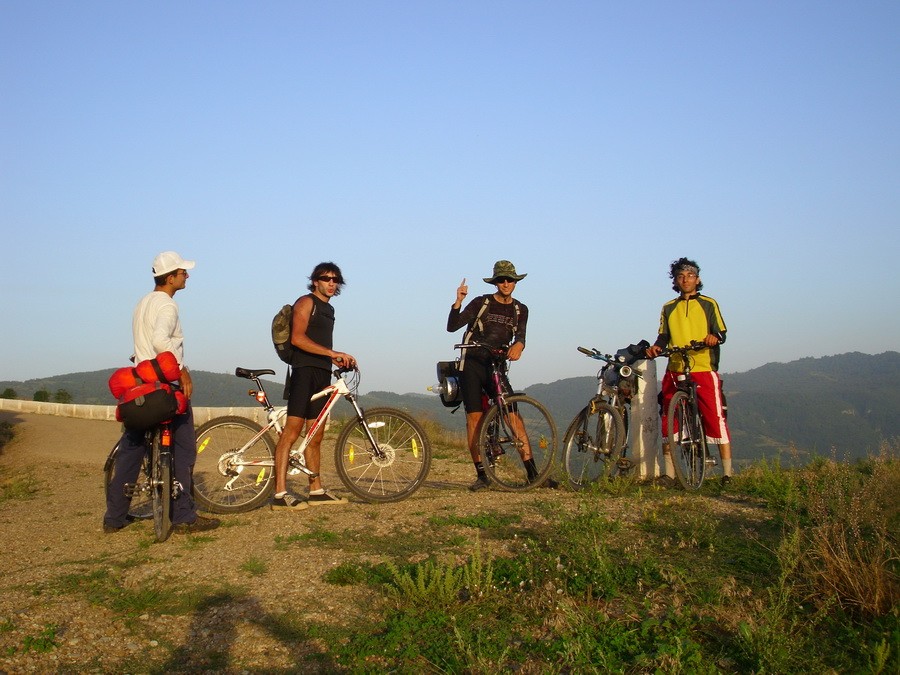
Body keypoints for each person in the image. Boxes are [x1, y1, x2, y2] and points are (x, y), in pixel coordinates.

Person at [104, 251, 220, 533]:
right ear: (170, 278)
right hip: (164, 387)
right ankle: (183, 516)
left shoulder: (142, 303)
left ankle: (114, 518)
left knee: (131, 450)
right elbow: (159, 341)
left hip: (140, 387)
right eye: (182, 272)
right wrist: (180, 369)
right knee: (184, 449)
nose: (187, 276)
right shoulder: (168, 305)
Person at [446, 260, 556, 491]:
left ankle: (533, 475)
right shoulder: (482, 302)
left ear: (515, 282)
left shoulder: (520, 309)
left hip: (496, 365)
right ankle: (482, 475)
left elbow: (521, 336)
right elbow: (452, 326)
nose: (506, 283)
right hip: (472, 364)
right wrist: (458, 301)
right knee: (474, 420)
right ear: (495, 282)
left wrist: (520, 345)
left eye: (510, 280)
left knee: (513, 417)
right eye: (501, 280)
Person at [271, 262, 356, 510]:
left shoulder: (329, 309)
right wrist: (332, 353)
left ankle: (316, 490)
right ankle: (279, 494)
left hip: (322, 373)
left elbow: (320, 343)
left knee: (316, 434)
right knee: (292, 432)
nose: (331, 283)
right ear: (315, 281)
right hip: (304, 372)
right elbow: (297, 338)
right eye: (326, 278)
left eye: (335, 279)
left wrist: (334, 359)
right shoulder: (306, 302)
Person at [645, 257, 733, 483]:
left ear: (698, 279)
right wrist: (657, 347)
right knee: (669, 418)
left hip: (703, 366)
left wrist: (714, 338)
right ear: (675, 281)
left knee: (714, 416)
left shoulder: (708, 304)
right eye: (680, 276)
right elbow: (663, 336)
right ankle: (669, 473)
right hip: (675, 366)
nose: (685, 280)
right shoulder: (668, 307)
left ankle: (727, 473)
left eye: (690, 276)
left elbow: (721, 332)